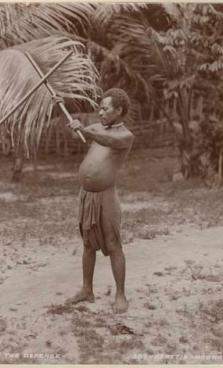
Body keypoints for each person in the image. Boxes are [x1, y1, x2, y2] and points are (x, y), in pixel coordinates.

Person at [66, 88, 135, 314]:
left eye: (105, 108)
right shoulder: (96, 127)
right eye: (100, 107)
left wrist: (84, 129)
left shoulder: (125, 136)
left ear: (119, 111)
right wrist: (67, 113)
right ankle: (87, 290)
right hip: (87, 196)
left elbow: (106, 140)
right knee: (87, 244)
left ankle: (121, 295)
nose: (100, 111)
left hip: (106, 196)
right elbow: (82, 131)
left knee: (113, 244)